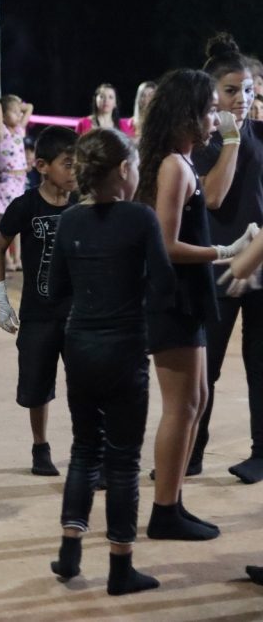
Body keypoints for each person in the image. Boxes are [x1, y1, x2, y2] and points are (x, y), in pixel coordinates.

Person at [47, 128, 173, 596]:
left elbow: (54, 290)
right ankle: (121, 568)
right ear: (123, 170)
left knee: (84, 449)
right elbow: (162, 288)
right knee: (122, 464)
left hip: (80, 347)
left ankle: (70, 549)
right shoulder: (140, 219)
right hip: (124, 350)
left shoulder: (69, 223)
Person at [135, 68, 251, 540]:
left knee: (196, 401)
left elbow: (215, 196)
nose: (215, 117)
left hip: (187, 295)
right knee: (180, 407)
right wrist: (226, 252)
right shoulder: (172, 166)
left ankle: (174, 501)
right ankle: (164, 510)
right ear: (186, 114)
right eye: (208, 110)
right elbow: (165, 243)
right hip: (172, 297)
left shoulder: (181, 162)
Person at [190, 33, 263, 484]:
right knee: (205, 364)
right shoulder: (201, 141)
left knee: (261, 363)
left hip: (260, 262)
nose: (242, 98)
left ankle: (261, 453)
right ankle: (192, 450)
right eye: (232, 90)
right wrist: (232, 138)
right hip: (217, 264)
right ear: (211, 91)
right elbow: (214, 197)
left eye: (249, 89)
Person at [0, 125, 78, 477]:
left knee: (84, 383)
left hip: (79, 314)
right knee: (37, 385)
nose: (75, 172)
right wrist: (1, 300)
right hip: (38, 314)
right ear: (42, 166)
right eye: (68, 164)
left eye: (79, 164)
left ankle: (88, 446)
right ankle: (40, 447)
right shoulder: (24, 206)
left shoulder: (85, 203)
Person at [0, 94, 34, 271]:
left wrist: (18, 106)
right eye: (14, 112)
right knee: (4, 222)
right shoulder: (2, 132)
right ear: (4, 115)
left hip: (19, 180)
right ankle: (6, 259)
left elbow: (29, 107)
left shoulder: (19, 131)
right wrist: (2, 106)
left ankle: (18, 258)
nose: (19, 115)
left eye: (18, 112)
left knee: (19, 221)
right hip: (6, 181)